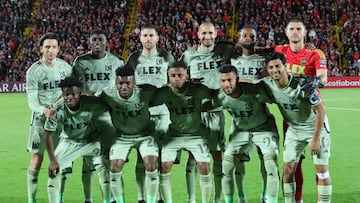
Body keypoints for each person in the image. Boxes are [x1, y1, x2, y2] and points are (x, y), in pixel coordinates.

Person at [263, 51, 332, 203]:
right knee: (288, 169)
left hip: (315, 128)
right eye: (271, 67)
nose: (275, 70)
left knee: (321, 170)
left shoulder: (303, 84)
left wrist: (315, 139)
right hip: (294, 130)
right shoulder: (267, 85)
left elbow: (320, 110)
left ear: (285, 66)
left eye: (278, 66)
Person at [274, 17, 328, 203]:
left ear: (305, 33)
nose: (295, 31)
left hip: (311, 114)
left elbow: (323, 77)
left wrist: (316, 81)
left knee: (319, 164)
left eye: (299, 29)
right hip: (290, 119)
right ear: (286, 32)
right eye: (291, 29)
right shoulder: (279, 51)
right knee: (293, 165)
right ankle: (298, 200)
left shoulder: (315, 54)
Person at [72, 29, 125, 203]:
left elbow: (123, 87)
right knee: (88, 162)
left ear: (106, 42)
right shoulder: (80, 62)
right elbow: (73, 88)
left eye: (100, 39)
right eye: (93, 39)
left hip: (109, 117)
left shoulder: (116, 62)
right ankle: (88, 199)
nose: (97, 42)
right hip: (87, 116)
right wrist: (90, 94)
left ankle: (111, 198)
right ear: (89, 42)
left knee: (110, 160)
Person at [214, 64, 279, 203]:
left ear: (237, 79)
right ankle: (239, 197)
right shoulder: (219, 97)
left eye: (229, 80)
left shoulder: (254, 91)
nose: (226, 84)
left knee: (270, 164)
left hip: (263, 128)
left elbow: (277, 97)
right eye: (223, 81)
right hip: (241, 130)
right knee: (227, 164)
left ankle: (267, 197)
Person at [179, 21, 229, 203]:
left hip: (215, 112)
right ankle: (191, 199)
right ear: (198, 35)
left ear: (216, 34)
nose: (207, 37)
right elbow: (177, 79)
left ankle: (217, 199)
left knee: (217, 155)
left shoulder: (224, 52)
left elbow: (246, 49)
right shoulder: (189, 55)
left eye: (210, 33)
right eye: (203, 34)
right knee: (193, 156)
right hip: (195, 114)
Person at [43, 76, 113, 203]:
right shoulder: (57, 109)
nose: (69, 97)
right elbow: (47, 135)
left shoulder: (93, 103)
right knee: (54, 172)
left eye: (73, 94)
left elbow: (108, 122)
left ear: (80, 93)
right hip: (69, 141)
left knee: (104, 168)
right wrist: (53, 160)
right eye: (66, 94)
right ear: (62, 95)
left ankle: (108, 200)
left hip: (91, 141)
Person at [126, 24, 174, 203]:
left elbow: (173, 81)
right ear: (140, 38)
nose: (147, 39)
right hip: (141, 114)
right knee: (141, 156)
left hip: (162, 113)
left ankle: (159, 197)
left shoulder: (166, 57)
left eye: (150, 36)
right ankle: (141, 198)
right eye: (144, 35)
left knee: (162, 157)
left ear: (157, 38)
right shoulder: (133, 58)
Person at [153, 61, 214, 203]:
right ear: (168, 76)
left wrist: (208, 106)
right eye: (173, 75)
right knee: (164, 166)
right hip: (174, 135)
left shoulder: (198, 89)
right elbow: (146, 102)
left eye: (180, 75)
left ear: (187, 75)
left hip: (196, 135)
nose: (176, 78)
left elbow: (216, 96)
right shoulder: (164, 92)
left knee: (204, 167)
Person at [99, 66, 160, 203]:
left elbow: (168, 92)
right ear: (116, 83)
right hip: (121, 137)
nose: (124, 87)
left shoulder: (146, 91)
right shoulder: (107, 94)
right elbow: (89, 99)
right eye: (121, 83)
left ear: (134, 83)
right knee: (114, 168)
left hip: (145, 135)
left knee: (150, 165)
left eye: (128, 83)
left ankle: (151, 201)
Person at [25, 32, 72, 203]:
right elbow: (32, 99)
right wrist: (43, 109)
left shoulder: (66, 69)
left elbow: (70, 93)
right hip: (40, 120)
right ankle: (32, 199)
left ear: (58, 49)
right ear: (41, 49)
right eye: (47, 47)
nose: (50, 50)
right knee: (37, 159)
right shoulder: (34, 71)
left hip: (61, 120)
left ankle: (57, 199)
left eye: (53, 47)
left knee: (60, 160)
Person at [229, 25, 270, 203]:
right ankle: (241, 197)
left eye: (251, 35)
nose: (247, 38)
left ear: (256, 38)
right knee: (238, 159)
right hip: (239, 118)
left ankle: (265, 195)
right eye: (244, 35)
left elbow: (268, 84)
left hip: (261, 114)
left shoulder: (263, 60)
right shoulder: (231, 60)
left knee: (266, 158)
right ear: (239, 38)